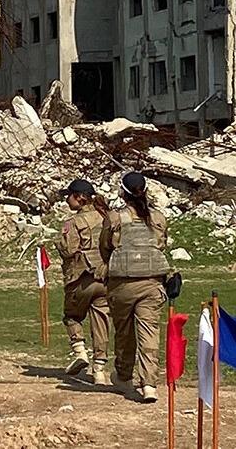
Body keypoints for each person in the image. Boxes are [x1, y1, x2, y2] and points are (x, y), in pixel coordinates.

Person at [99, 172, 169, 404]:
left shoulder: (115, 218)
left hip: (123, 284)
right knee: (150, 333)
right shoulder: (158, 218)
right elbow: (161, 244)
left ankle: (124, 375)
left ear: (122, 192)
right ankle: (149, 384)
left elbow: (105, 247)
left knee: (124, 332)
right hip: (152, 283)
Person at [55, 178, 111, 385]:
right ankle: (100, 370)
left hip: (80, 278)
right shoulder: (107, 217)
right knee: (101, 322)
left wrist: (59, 244)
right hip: (104, 277)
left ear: (79, 197)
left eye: (68, 196)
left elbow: (69, 250)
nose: (67, 200)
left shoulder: (73, 222)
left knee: (71, 316)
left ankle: (79, 350)